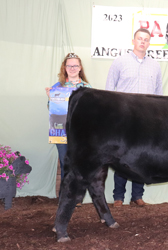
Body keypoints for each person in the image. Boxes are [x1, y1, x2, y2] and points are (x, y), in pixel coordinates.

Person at [105, 28, 163, 207]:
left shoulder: (155, 65)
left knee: (143, 157)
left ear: (149, 43)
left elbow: (158, 94)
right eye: (140, 38)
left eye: (146, 39)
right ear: (133, 40)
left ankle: (137, 195)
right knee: (121, 157)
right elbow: (109, 90)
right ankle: (118, 197)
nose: (142, 42)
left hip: (147, 120)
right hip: (124, 118)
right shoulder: (119, 62)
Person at [45, 52, 91, 200]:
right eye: (69, 65)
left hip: (80, 133)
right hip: (61, 131)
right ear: (64, 68)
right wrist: (51, 98)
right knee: (66, 164)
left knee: (78, 164)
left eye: (75, 65)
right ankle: (64, 198)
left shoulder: (87, 87)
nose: (72, 68)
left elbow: (93, 111)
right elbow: (51, 108)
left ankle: (76, 197)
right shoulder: (58, 86)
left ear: (80, 67)